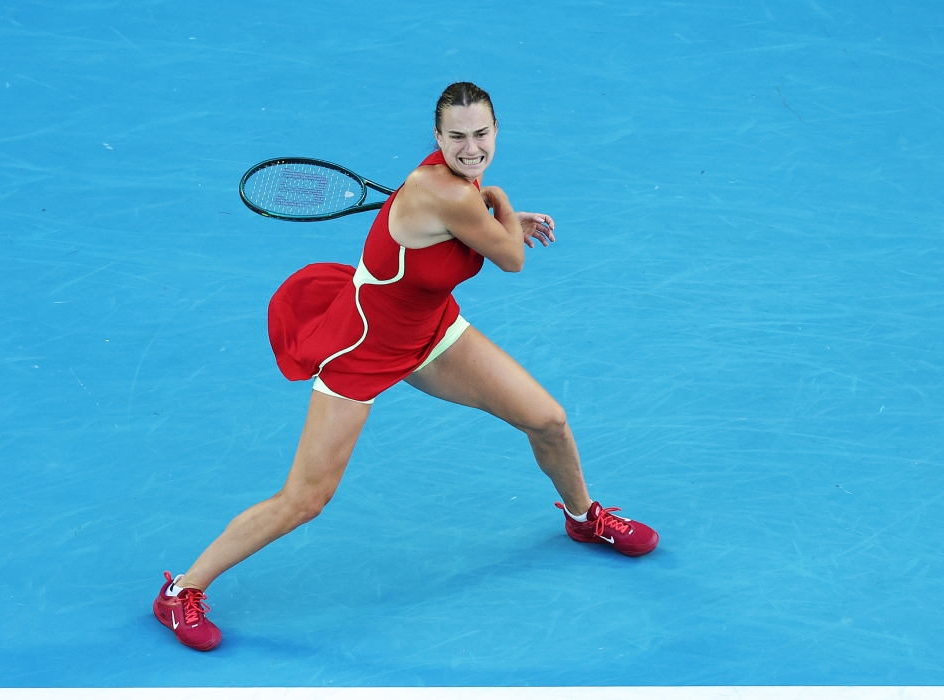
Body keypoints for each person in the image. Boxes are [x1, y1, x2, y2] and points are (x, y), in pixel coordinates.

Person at [153, 82, 659, 651]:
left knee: (548, 420)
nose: (471, 148)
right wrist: (500, 200)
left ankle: (583, 516)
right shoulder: (456, 193)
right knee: (305, 499)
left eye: (482, 134)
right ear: (437, 137)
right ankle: (180, 591)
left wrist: (491, 209)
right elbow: (513, 258)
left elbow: (476, 234)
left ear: (496, 131)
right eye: (458, 137)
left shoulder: (451, 185)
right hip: (366, 346)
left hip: (430, 331)